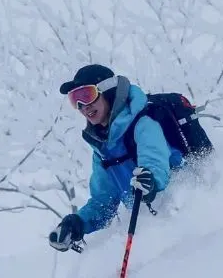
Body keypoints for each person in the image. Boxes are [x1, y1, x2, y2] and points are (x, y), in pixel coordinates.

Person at [48, 64, 184, 252]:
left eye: (87, 95)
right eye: (75, 100)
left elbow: (156, 165)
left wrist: (150, 180)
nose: (83, 106)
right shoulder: (103, 150)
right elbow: (104, 202)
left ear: (108, 92)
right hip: (151, 229)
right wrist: (78, 223)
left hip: (182, 215)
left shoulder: (143, 124)